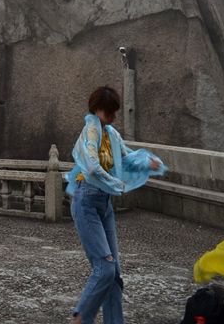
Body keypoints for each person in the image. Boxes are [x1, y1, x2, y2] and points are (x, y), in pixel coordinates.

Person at [66, 85, 166, 324]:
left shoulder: (111, 133)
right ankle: (80, 318)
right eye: (108, 112)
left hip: (103, 202)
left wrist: (147, 163)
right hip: (85, 199)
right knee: (105, 269)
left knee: (114, 275)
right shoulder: (90, 131)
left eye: (114, 112)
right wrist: (115, 183)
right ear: (96, 109)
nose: (112, 117)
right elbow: (91, 166)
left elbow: (126, 158)